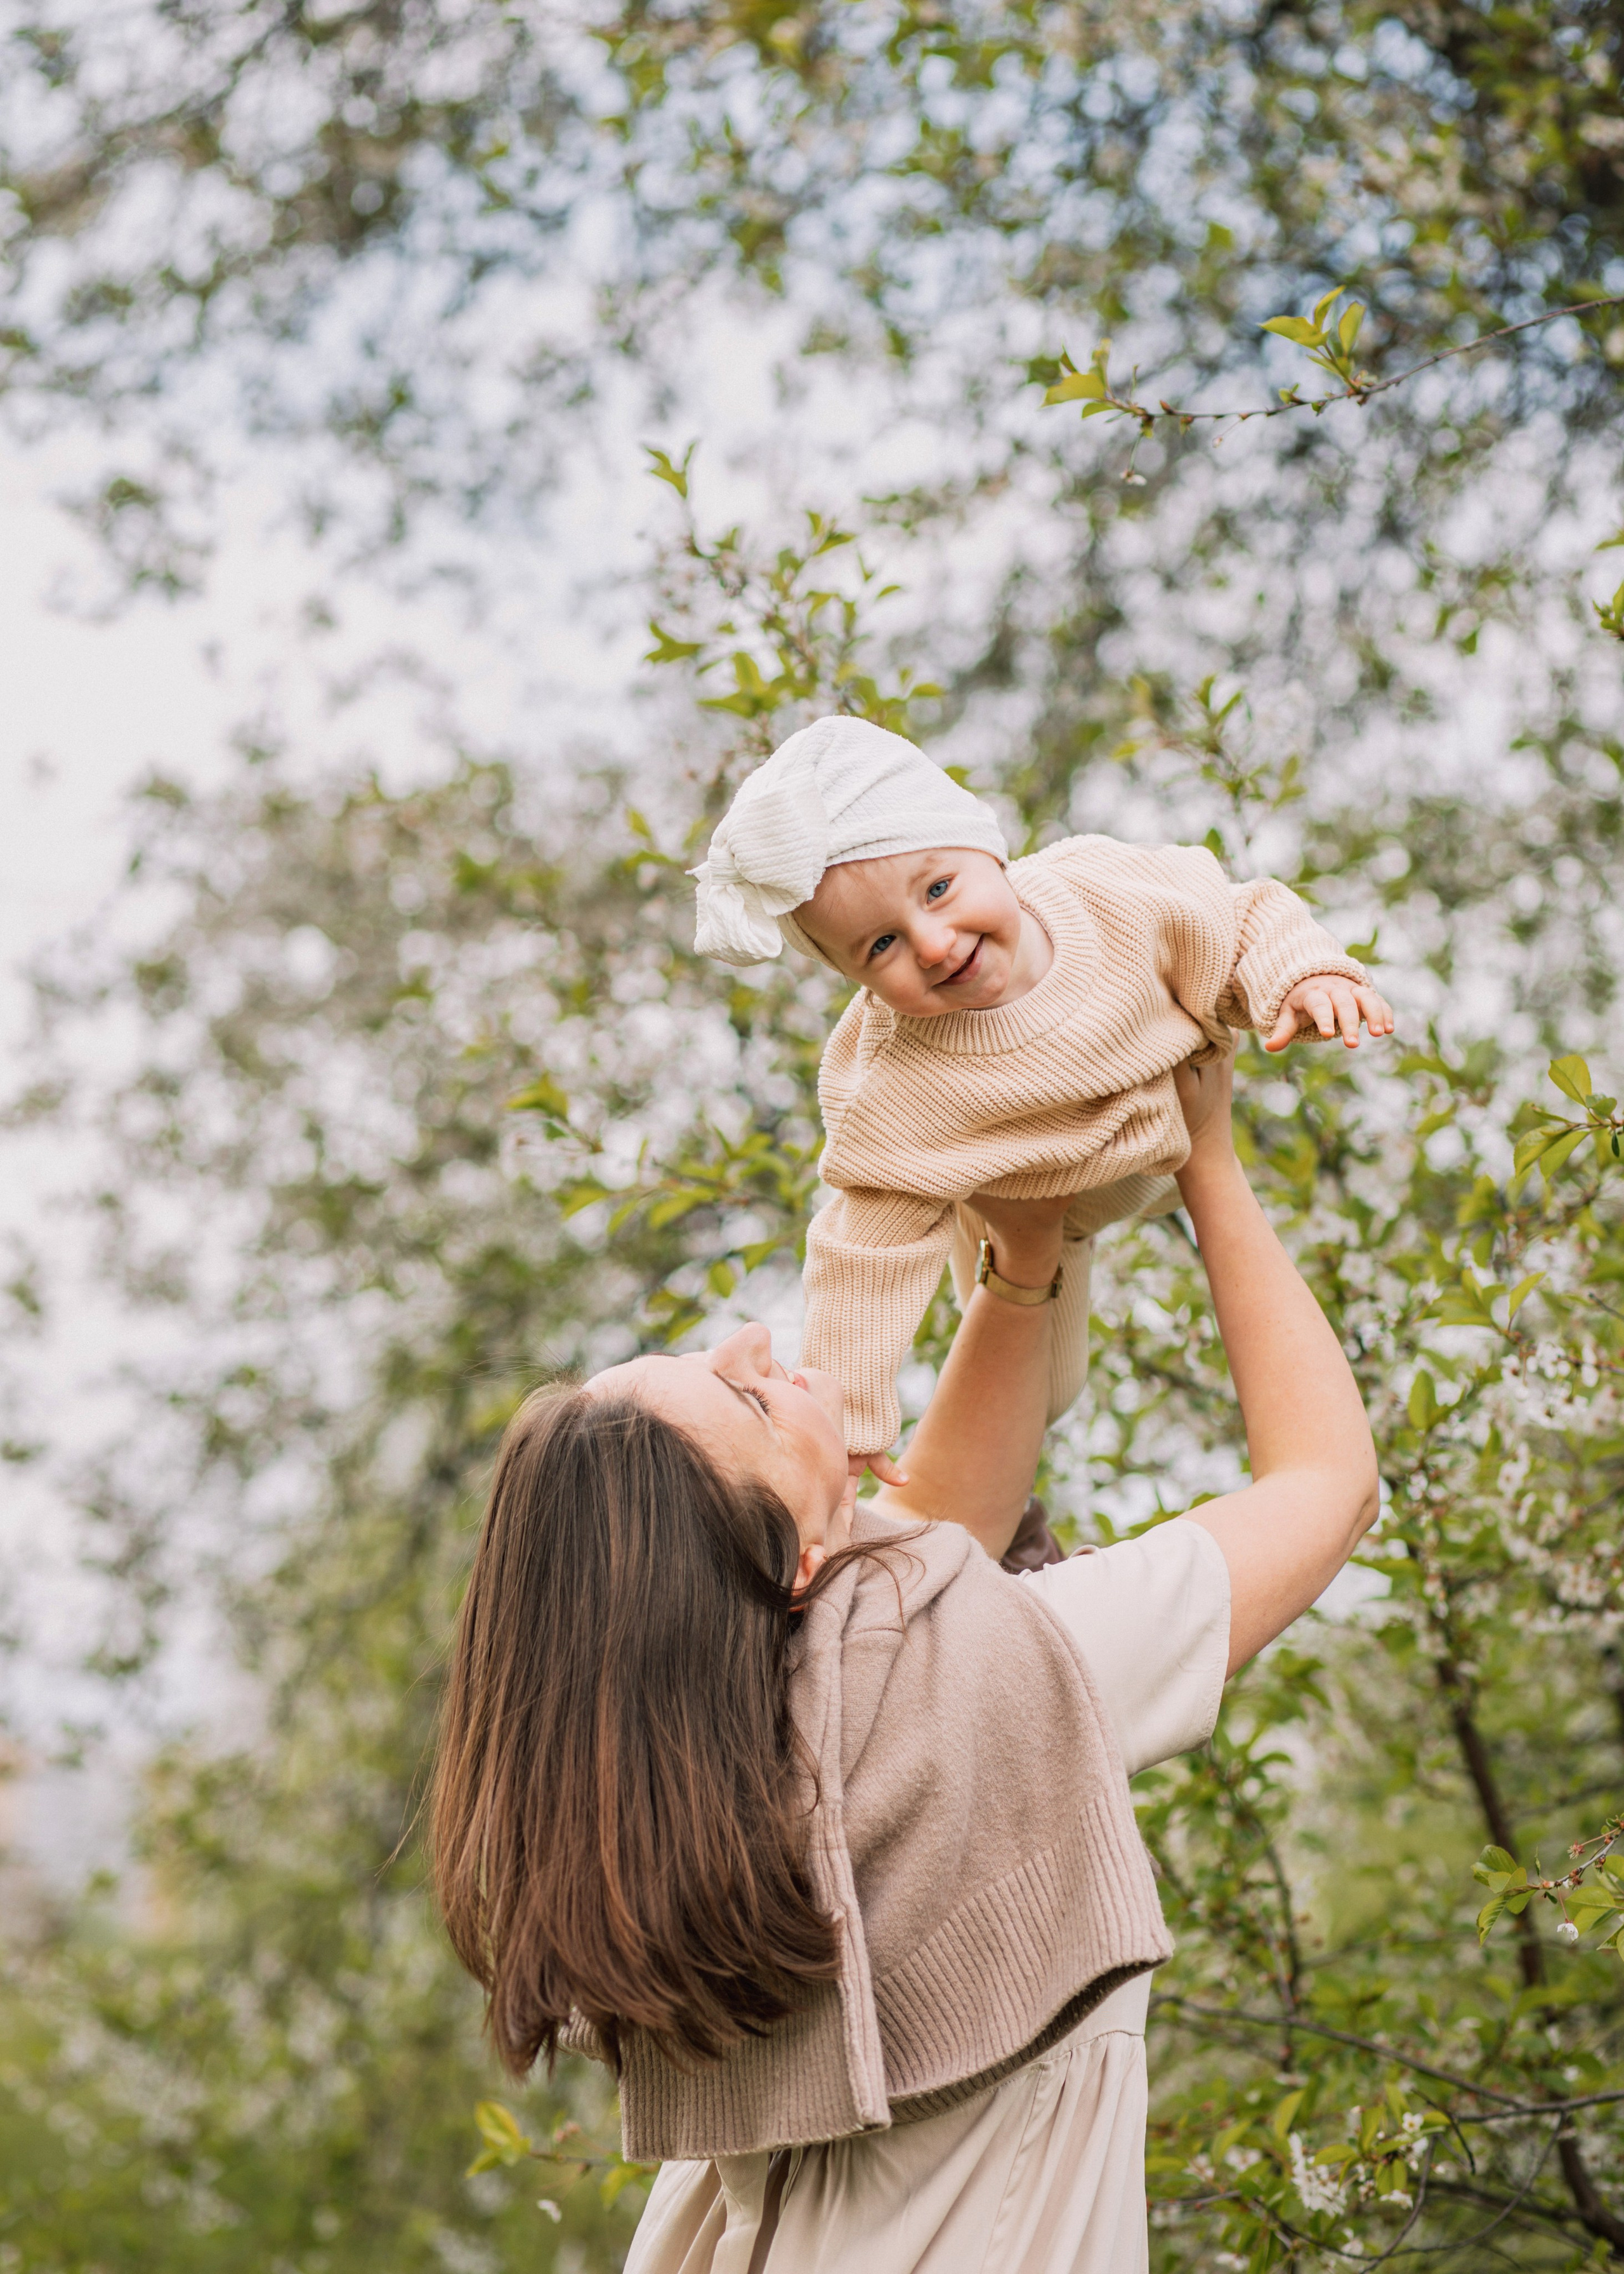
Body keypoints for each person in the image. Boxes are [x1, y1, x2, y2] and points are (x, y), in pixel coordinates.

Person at [430, 1051, 1379, 2271]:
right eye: (753, 1400)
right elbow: (1325, 1482)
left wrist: (1029, 1260)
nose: (757, 1337)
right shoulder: (1011, 1673)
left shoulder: (695, 1775)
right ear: (792, 1567)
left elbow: (933, 1545)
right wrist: (1209, 1158)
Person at [688, 714, 1392, 1476]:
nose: (931, 942)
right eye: (880, 945)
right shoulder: (898, 1084)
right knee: (1047, 1396)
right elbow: (866, 1244)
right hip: (1029, 1197)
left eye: (937, 888)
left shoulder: (1104, 893)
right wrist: (848, 1413)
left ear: (988, 847)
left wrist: (1304, 975)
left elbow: (1240, 914)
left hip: (1172, 1133)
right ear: (853, 979)